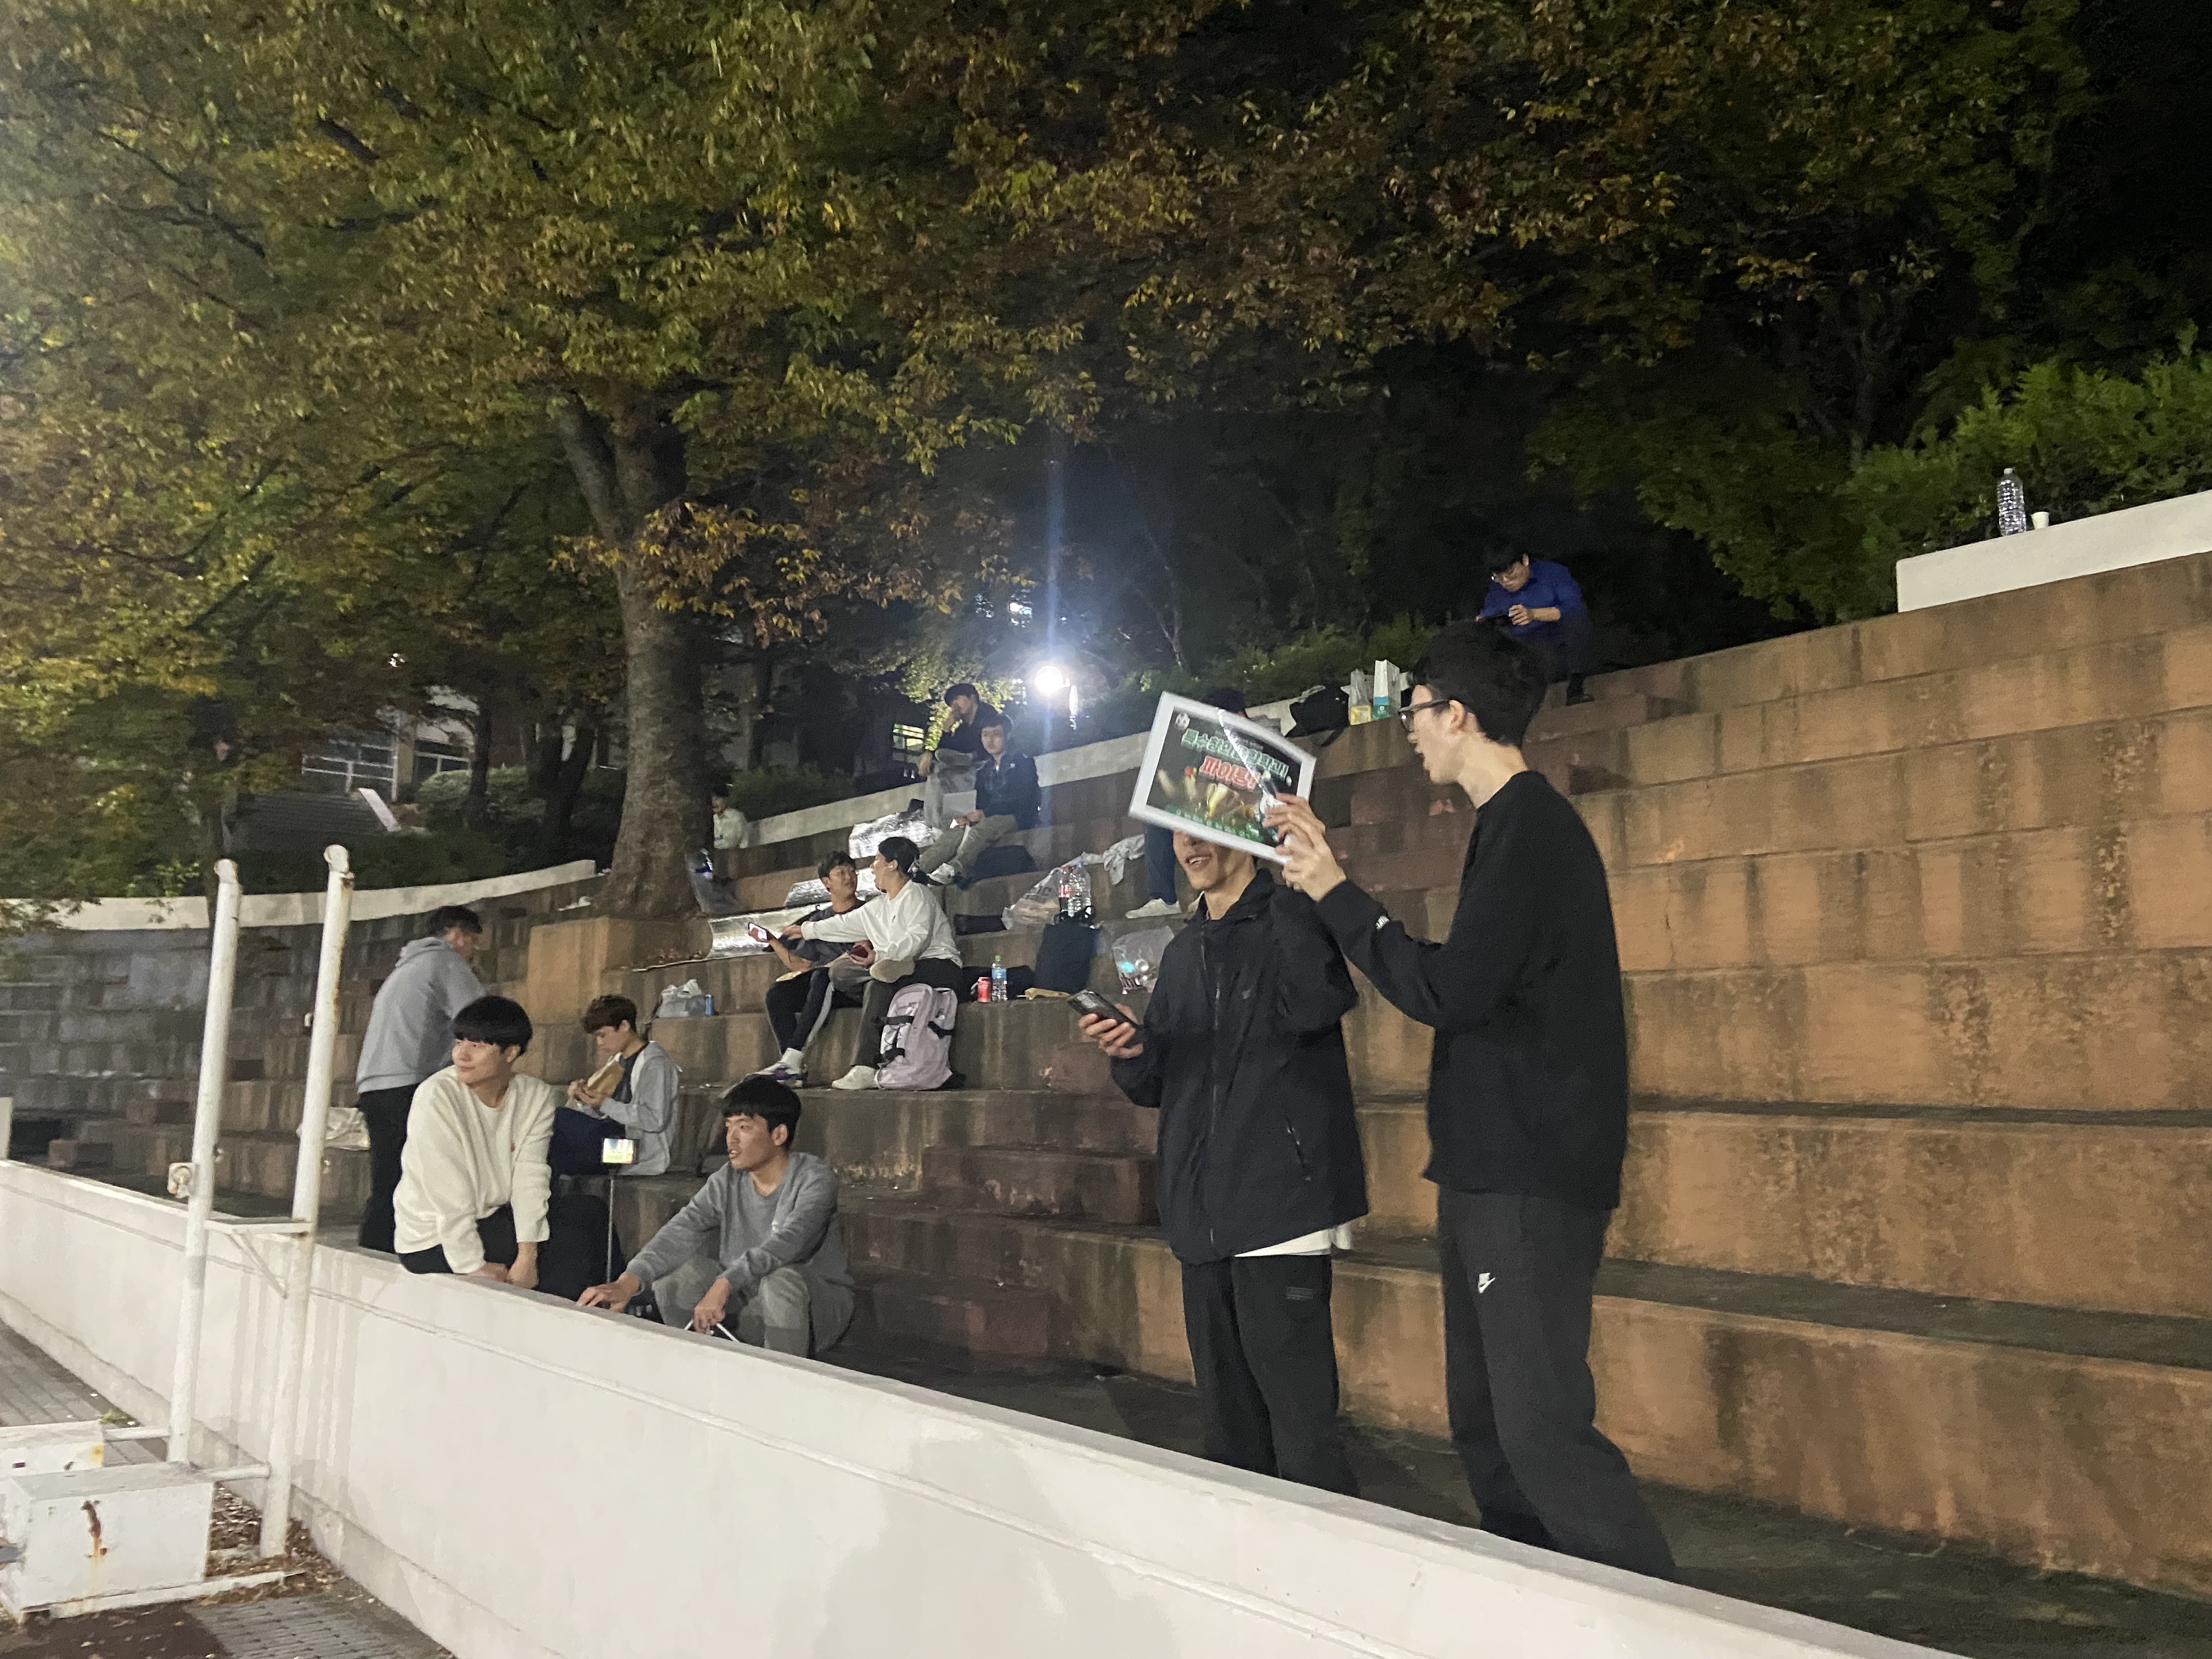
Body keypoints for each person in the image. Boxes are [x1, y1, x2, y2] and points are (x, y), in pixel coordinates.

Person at [1265, 619, 1677, 1580]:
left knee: (1540, 1432)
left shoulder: (1532, 828)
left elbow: (1450, 990)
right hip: (1490, 1167)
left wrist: (1338, 892)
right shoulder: (1509, 826)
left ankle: (1667, 1625)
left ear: (1457, 713)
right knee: (1487, 1426)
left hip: (1529, 1171)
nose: (1408, 730)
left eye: (1413, 710)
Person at [1076, 828, 1367, 1496]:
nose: (1187, 845)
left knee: (1302, 1432)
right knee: (1230, 1434)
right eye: (1176, 832)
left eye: (1201, 828)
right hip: (1201, 1212)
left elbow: (1319, 1002)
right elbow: (1162, 1082)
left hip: (1281, 1207)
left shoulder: (1291, 918)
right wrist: (1131, 1050)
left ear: (1241, 832)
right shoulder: (1184, 950)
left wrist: (1294, 895)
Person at [579, 1077, 855, 1356]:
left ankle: (785, 1377)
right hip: (745, 1298)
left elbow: (790, 1241)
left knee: (780, 1281)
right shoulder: (727, 1179)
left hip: (814, 1310)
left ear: (779, 1135)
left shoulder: (814, 1178)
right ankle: (699, 1364)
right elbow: (682, 1230)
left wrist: (725, 1283)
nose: (730, 1139)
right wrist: (628, 1283)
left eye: (744, 1127)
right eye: (728, 1127)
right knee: (674, 1281)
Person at [393, 996, 559, 1286]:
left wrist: (527, 1256)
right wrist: (472, 1265)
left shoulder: (536, 1096)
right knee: (562, 1257)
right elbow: (447, 1190)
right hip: (431, 1236)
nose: (461, 1055)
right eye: (459, 1042)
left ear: (511, 1053)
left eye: (477, 1046)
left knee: (583, 1216)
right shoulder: (437, 1095)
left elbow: (531, 1174)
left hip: (491, 1218)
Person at [782, 836, 965, 1091]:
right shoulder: (878, 907)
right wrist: (805, 930)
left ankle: (865, 1066)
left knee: (879, 982)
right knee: (840, 971)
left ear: (892, 864)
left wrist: (879, 956)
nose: (872, 867)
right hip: (893, 966)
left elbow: (917, 940)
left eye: (877, 860)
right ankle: (888, 970)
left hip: (937, 965)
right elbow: (842, 925)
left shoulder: (917, 894)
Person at [353, 905, 486, 1253]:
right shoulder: (445, 962)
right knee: (413, 1175)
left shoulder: (407, 967)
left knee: (388, 1175)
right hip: (408, 1081)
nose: (473, 951)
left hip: (375, 1082)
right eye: (472, 941)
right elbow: (480, 1019)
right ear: (457, 935)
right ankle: (404, 1249)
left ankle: (375, 1249)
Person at [756, 850, 874, 1086]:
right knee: (778, 993)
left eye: (852, 871)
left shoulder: (869, 912)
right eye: (841, 873)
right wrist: (773, 941)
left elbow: (863, 952)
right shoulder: (818, 919)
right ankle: (790, 1065)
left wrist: (830, 966)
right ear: (826, 882)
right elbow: (802, 965)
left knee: (823, 975)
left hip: (854, 983)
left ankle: (792, 1060)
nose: (849, 877)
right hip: (822, 985)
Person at [1129, 687, 1246, 919]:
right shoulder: (1203, 739)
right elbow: (1189, 781)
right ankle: (1164, 899)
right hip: (1202, 804)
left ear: (1239, 715)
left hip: (1238, 811)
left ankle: (1219, 890)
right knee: (1158, 819)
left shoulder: (1257, 740)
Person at [554, 995, 679, 1178]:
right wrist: (583, 1099)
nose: (600, 1043)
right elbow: (607, 1113)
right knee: (549, 1147)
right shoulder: (617, 1061)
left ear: (624, 1026)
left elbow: (655, 1119)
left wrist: (605, 1103)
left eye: (603, 1035)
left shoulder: (655, 1064)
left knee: (558, 1120)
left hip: (635, 1152)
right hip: (611, 1140)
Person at [916, 712, 1040, 885]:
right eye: (985, 735)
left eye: (996, 734)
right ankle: (918, 870)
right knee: (956, 832)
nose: (990, 740)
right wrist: (967, 815)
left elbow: (1020, 800)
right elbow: (979, 799)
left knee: (980, 830)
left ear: (1007, 736)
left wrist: (984, 813)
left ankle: (955, 870)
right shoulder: (985, 768)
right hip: (989, 816)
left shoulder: (1023, 763)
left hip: (1017, 817)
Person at [1478, 548, 1593, 704]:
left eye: (1510, 573)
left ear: (1525, 560)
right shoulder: (1496, 590)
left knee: (1577, 617)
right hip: (1525, 648)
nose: (1506, 582)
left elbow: (1573, 606)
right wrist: (1482, 622)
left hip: (1557, 639)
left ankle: (1576, 686)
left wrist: (1533, 614)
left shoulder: (1553, 573)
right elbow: (1488, 615)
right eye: (1498, 577)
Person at [913, 682, 1000, 779]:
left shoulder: (991, 718)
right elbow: (947, 751)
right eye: (951, 704)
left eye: (957, 699)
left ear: (972, 698)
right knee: (928, 761)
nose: (954, 706)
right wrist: (947, 729)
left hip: (987, 770)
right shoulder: (962, 729)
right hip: (966, 773)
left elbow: (981, 749)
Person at [710, 789, 749, 853]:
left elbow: (730, 843)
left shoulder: (735, 817)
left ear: (725, 800)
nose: (713, 802)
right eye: (711, 799)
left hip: (736, 855)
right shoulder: (711, 819)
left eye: (717, 799)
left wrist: (712, 846)